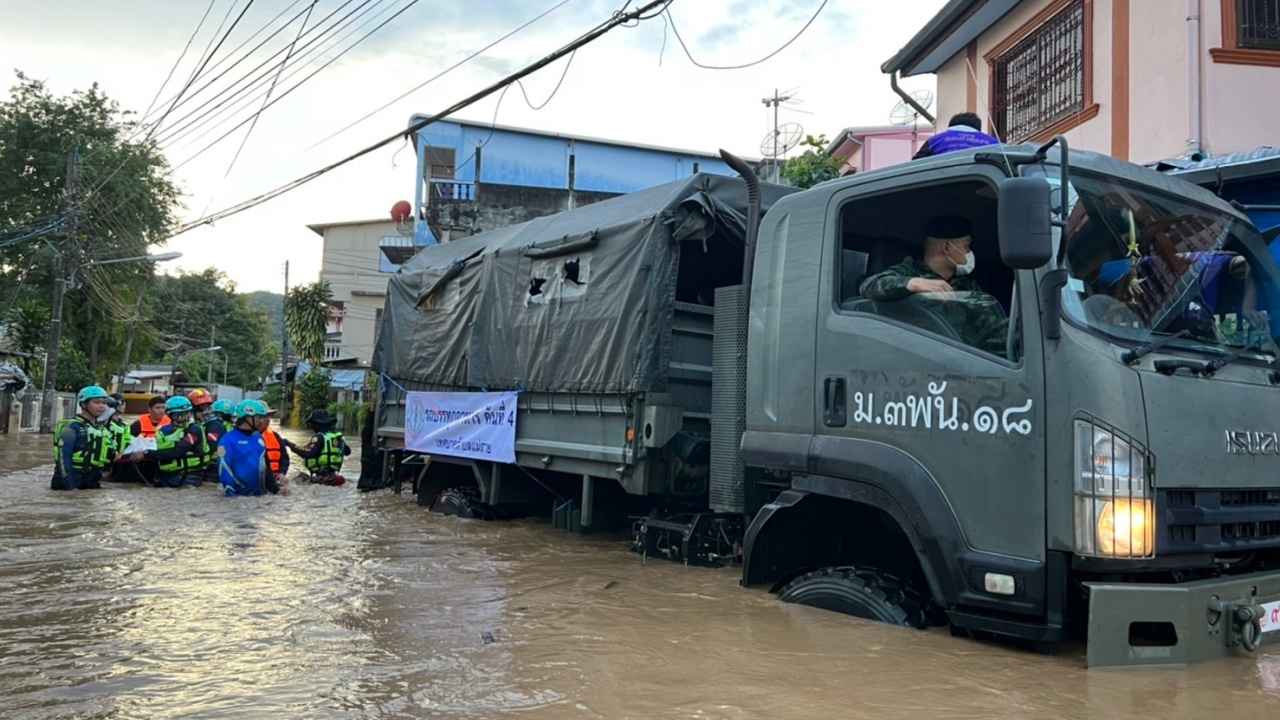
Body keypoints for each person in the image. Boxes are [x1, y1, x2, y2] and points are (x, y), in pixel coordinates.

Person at [858, 215, 1007, 353]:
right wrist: (914, 284)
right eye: (966, 246)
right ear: (947, 248)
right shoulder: (908, 272)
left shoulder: (967, 286)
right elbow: (868, 286)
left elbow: (993, 333)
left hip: (961, 363)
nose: (969, 253)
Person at [51, 385, 115, 491]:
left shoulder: (102, 429)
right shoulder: (70, 426)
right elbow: (63, 458)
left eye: (104, 403)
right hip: (71, 480)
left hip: (92, 481)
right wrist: (70, 488)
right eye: (97, 402)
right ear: (84, 404)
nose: (102, 406)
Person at [217, 399, 281, 497]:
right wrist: (231, 497)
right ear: (248, 417)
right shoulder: (227, 440)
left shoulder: (259, 437)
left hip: (260, 498)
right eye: (259, 417)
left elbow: (267, 468)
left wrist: (276, 490)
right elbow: (224, 470)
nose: (262, 421)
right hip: (239, 500)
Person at [142, 396, 207, 488]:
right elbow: (156, 447)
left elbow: (177, 452)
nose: (183, 416)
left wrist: (146, 453)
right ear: (170, 415)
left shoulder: (194, 430)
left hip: (189, 475)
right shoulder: (163, 430)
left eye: (186, 413)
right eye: (178, 414)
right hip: (166, 475)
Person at [284, 409, 352, 486]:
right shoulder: (338, 437)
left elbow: (308, 453)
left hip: (322, 478)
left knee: (297, 478)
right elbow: (348, 452)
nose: (312, 426)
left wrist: (290, 444)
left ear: (317, 424)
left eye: (312, 423)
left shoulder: (319, 437)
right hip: (332, 476)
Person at [913, 112, 1000, 159]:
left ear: (951, 126)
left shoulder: (935, 140)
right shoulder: (993, 143)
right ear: (978, 128)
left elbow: (916, 164)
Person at [188, 388, 220, 482]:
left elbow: (212, 447)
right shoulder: (198, 425)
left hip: (212, 468)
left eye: (207, 406)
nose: (205, 410)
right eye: (202, 407)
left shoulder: (214, 425)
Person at [104, 393, 135, 483]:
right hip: (107, 460)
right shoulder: (105, 423)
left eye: (124, 403)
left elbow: (129, 441)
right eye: (121, 403)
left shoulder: (125, 425)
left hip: (120, 460)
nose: (123, 406)